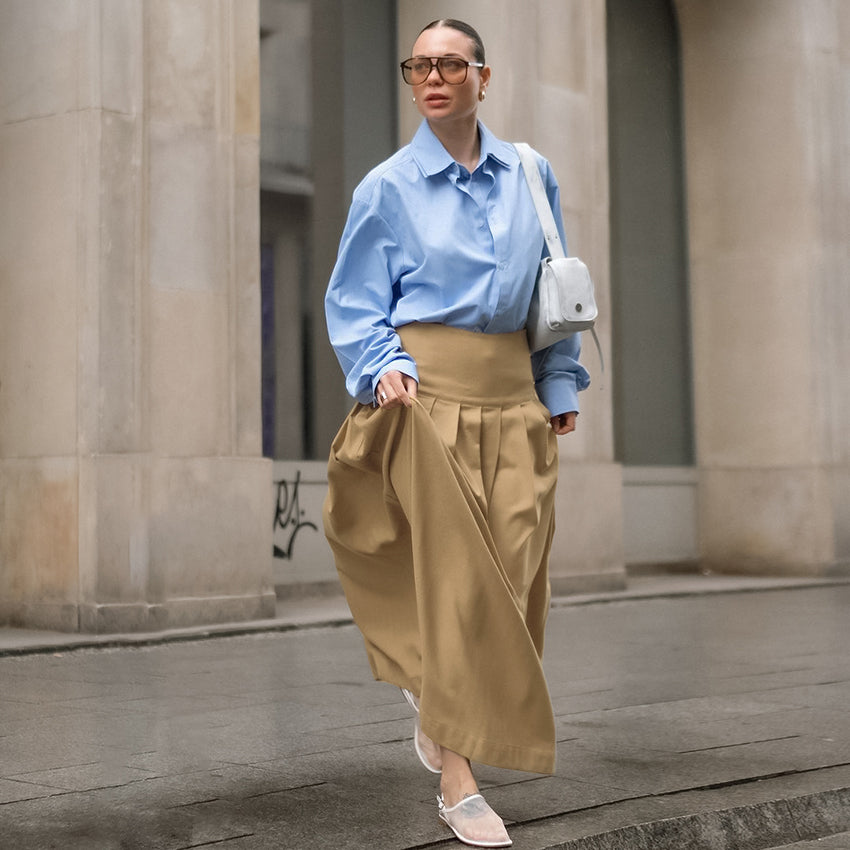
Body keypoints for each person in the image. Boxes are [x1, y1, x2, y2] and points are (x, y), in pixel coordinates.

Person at [323, 18, 590, 849]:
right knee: (457, 587)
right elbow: (356, 298)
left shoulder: (531, 173)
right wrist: (381, 364)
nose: (432, 77)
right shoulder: (387, 187)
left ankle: (440, 710)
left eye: (450, 65)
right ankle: (458, 777)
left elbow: (555, 284)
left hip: (514, 399)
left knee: (510, 581)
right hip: (424, 402)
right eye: (419, 66)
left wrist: (556, 380)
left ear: (484, 76)